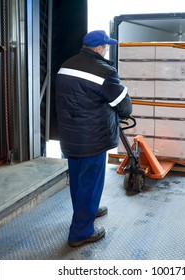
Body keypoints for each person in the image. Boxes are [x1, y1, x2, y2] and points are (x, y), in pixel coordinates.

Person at [55, 30, 132, 247]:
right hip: (93, 138)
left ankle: (85, 211)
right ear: (99, 48)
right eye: (106, 46)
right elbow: (123, 103)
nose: (107, 49)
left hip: (70, 136)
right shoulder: (104, 71)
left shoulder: (66, 64)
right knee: (91, 182)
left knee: (78, 180)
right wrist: (125, 109)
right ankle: (81, 232)